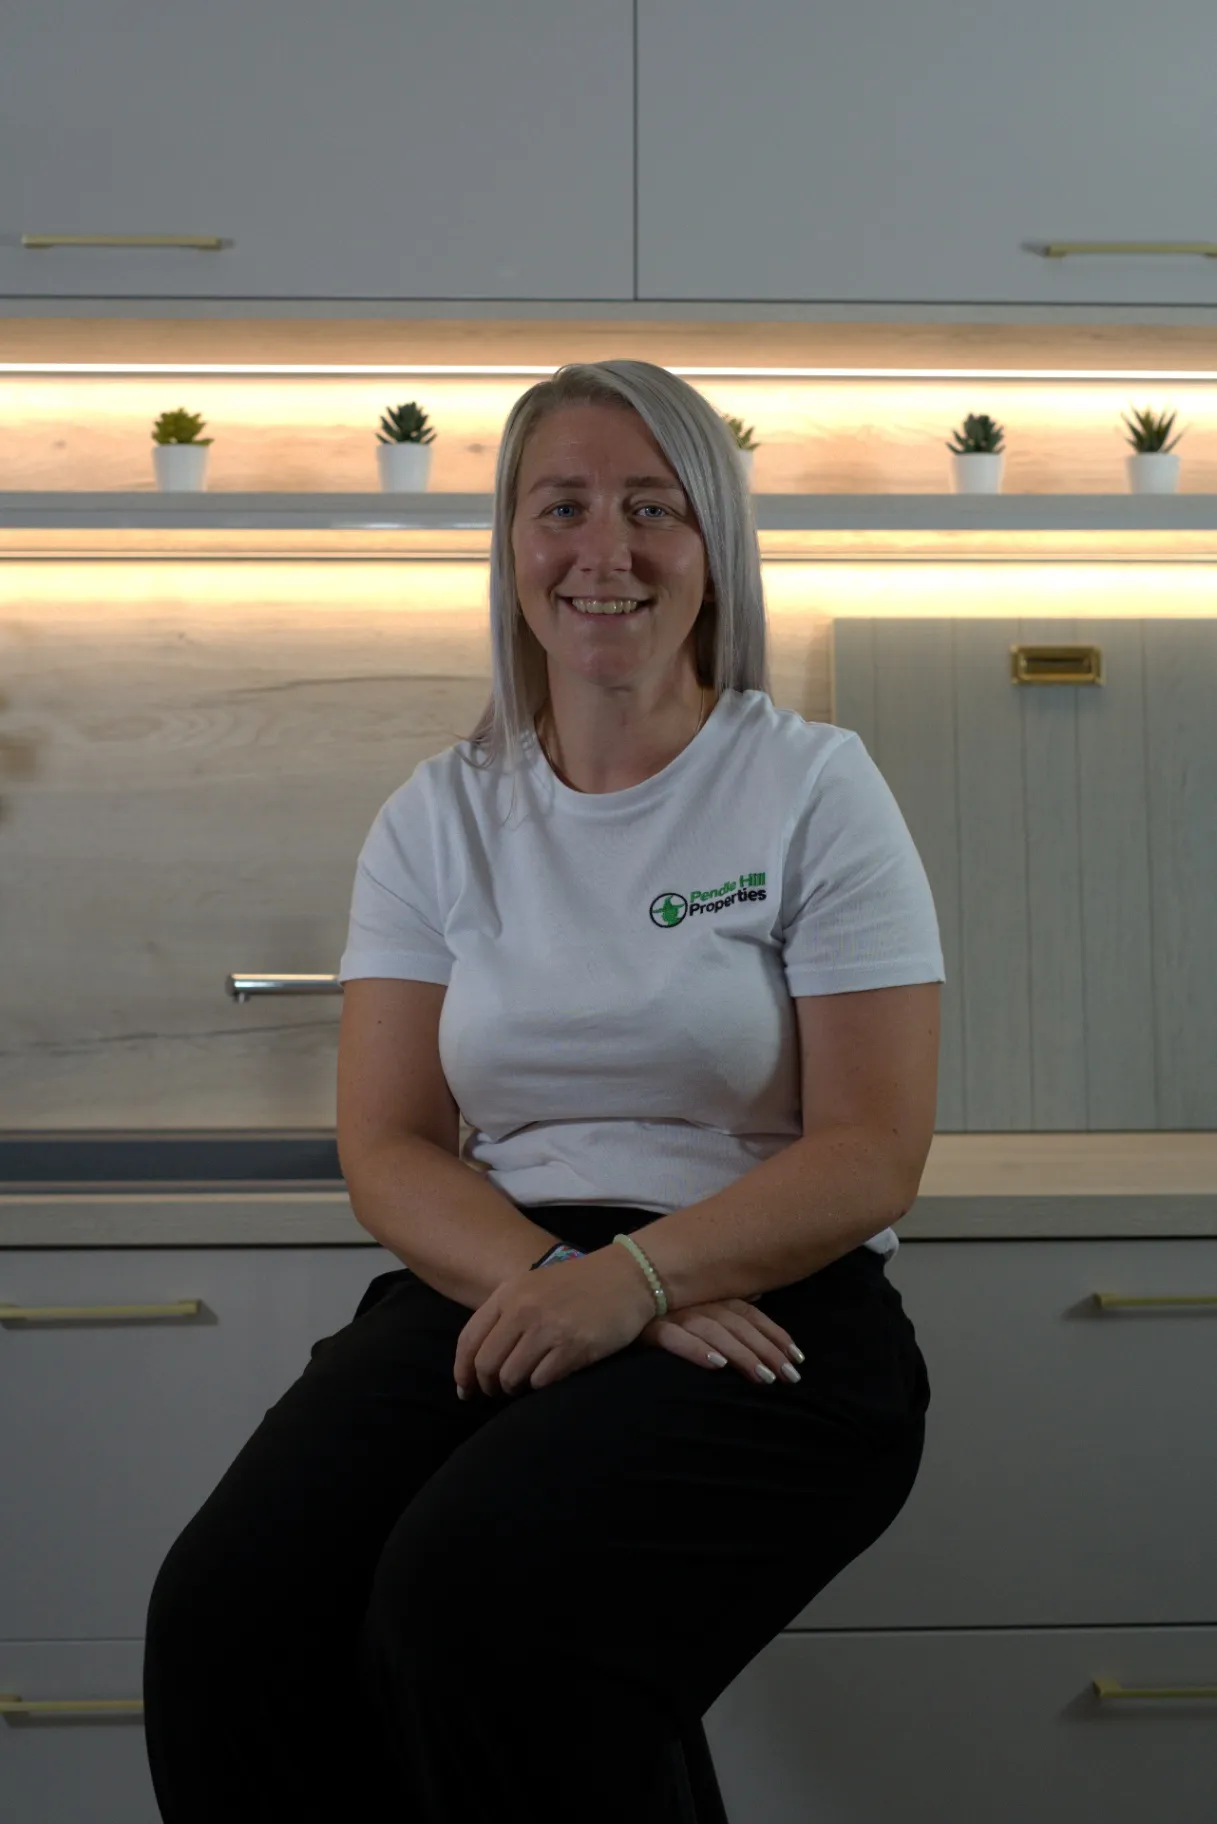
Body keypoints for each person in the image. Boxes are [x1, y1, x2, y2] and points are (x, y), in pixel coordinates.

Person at [142, 359, 943, 1823]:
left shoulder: (816, 789)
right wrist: (571, 1284)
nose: (603, 549)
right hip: (506, 1278)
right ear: (512, 545)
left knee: (479, 1607)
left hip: (771, 1301)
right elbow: (391, 1144)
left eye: (653, 507)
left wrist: (642, 1279)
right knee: (227, 1617)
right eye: (561, 506)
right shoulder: (439, 813)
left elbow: (873, 1150)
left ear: (714, 545)